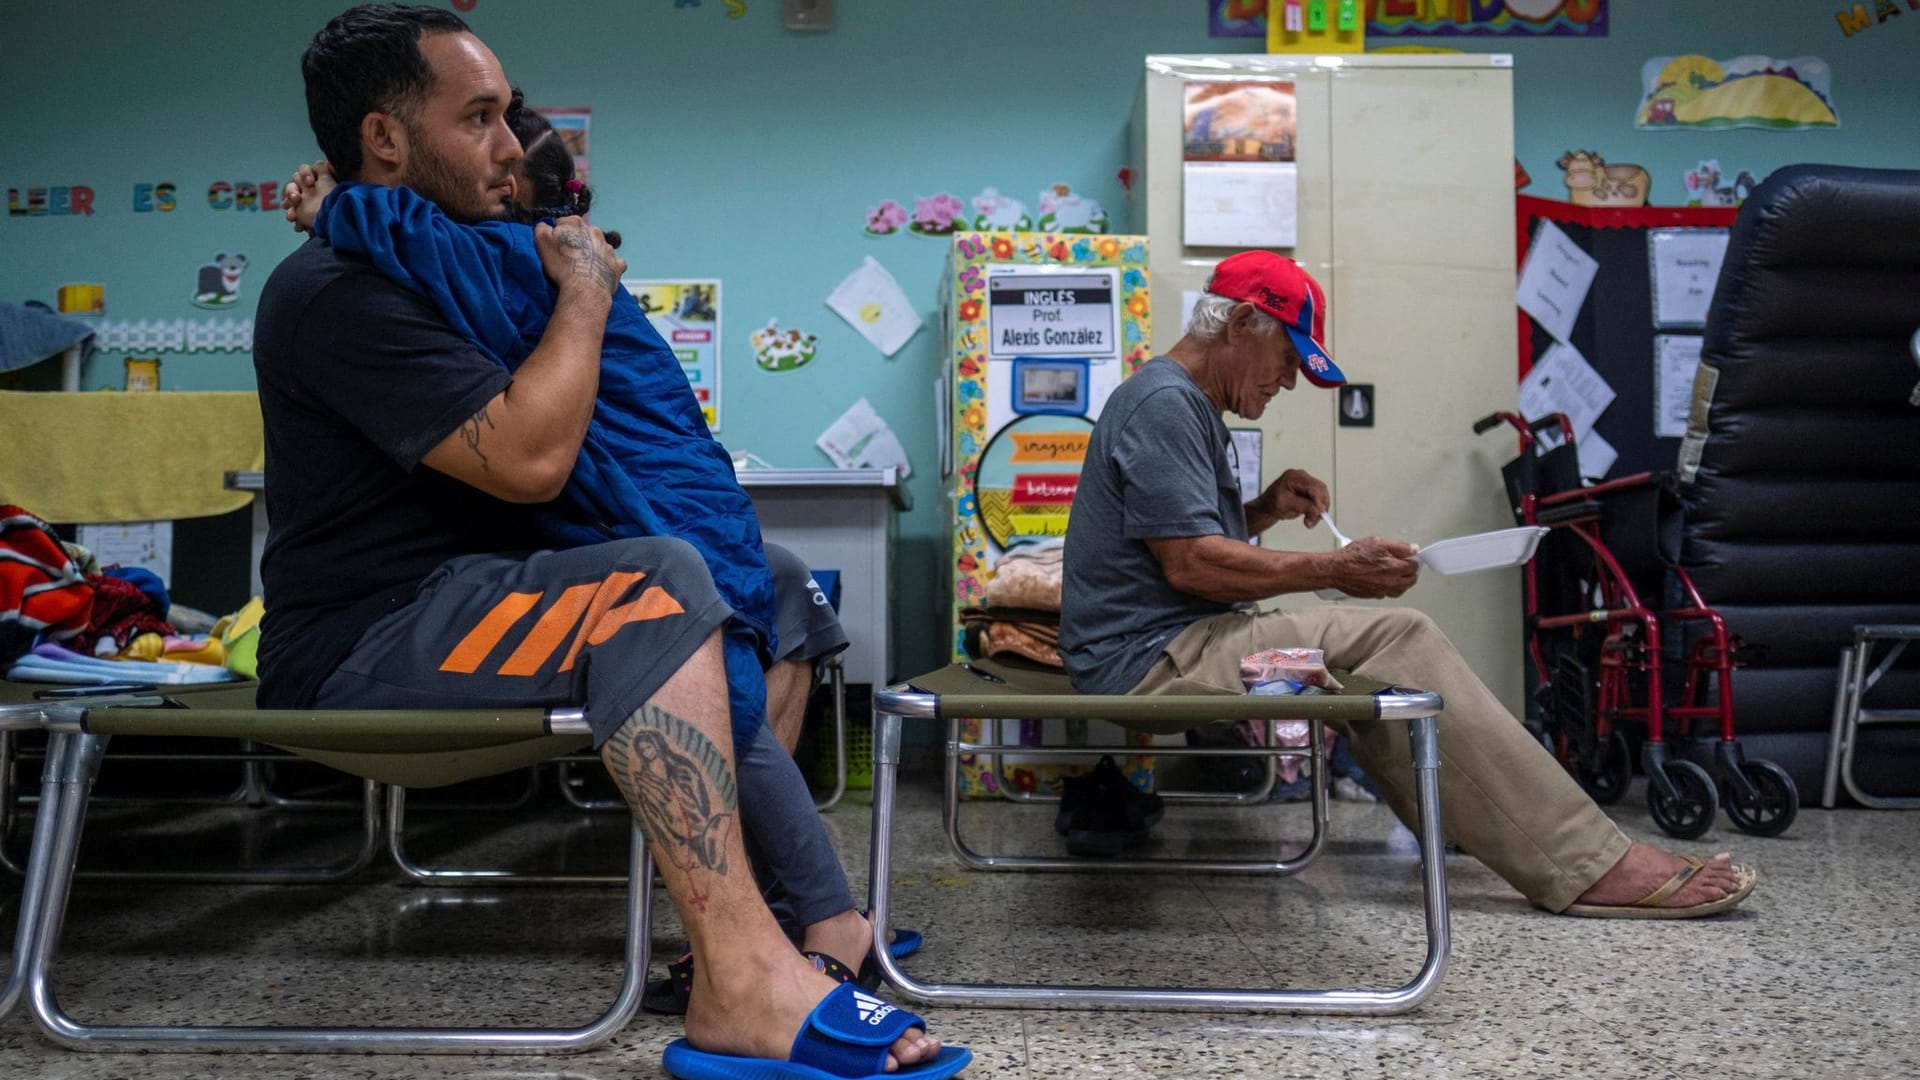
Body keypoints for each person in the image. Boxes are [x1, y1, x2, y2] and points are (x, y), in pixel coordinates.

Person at [256, 6, 968, 1077]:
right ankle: (745, 979)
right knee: (666, 580)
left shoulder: (450, 260)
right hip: (368, 639)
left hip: (484, 588)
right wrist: (586, 291)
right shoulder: (334, 292)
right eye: (480, 117)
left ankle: (767, 910)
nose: (510, 148)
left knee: (771, 584)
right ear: (386, 141)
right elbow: (532, 459)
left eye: (507, 117)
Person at [1059, 250, 1757, 919]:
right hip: (1152, 666)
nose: (1290, 380)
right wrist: (1335, 569)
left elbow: (1171, 545)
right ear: (1241, 325)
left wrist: (1263, 509)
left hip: (1170, 646)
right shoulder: (1164, 404)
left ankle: (1507, 836)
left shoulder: (1183, 404)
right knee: (1400, 634)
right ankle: (1591, 863)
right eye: (1288, 359)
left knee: (1382, 676)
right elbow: (1191, 565)